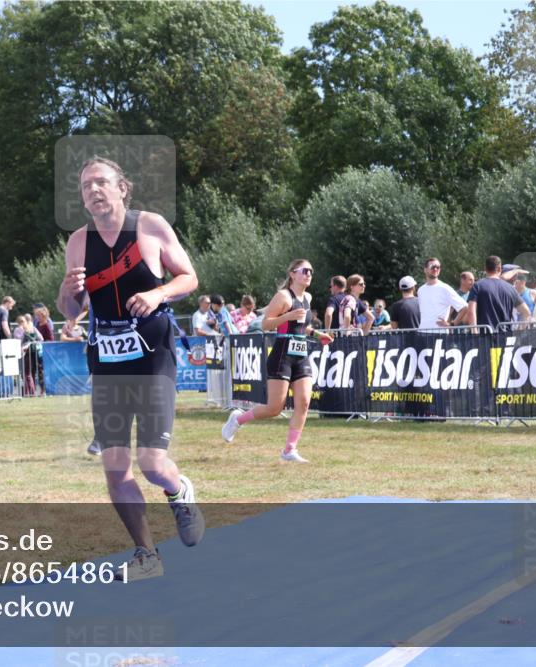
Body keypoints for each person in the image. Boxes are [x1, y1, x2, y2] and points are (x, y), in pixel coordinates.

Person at [57, 156, 204, 581]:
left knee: (152, 462)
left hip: (153, 352)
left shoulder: (150, 226)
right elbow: (71, 311)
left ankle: (179, 491)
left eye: (101, 182)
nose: (93, 191)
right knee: (116, 466)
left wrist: (158, 294)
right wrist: (67, 292)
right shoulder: (79, 243)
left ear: (123, 188)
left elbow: (189, 277)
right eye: (86, 186)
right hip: (107, 359)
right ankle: (146, 555)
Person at [222, 259, 334, 462]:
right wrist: (288, 315)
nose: (309, 274)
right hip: (282, 354)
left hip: (301, 355)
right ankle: (237, 419)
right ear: (292, 274)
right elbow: (265, 324)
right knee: (275, 408)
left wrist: (318, 335)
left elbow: (302, 326)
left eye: (311, 271)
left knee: (304, 402)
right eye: (305, 271)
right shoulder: (283, 296)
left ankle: (290, 450)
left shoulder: (306, 297)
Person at [466, 256, 531, 330]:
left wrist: (475, 333)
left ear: (485, 268)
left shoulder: (477, 286)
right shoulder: (510, 288)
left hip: (483, 335)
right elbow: (526, 313)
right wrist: (519, 332)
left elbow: (471, 312)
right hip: (504, 336)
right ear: (499, 269)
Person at [416, 257, 468, 329]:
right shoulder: (420, 290)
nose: (435, 269)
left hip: (440, 333)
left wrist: (452, 325)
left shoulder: (445, 288)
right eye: (433, 267)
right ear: (425, 269)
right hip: (422, 332)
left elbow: (464, 307)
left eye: (438, 267)